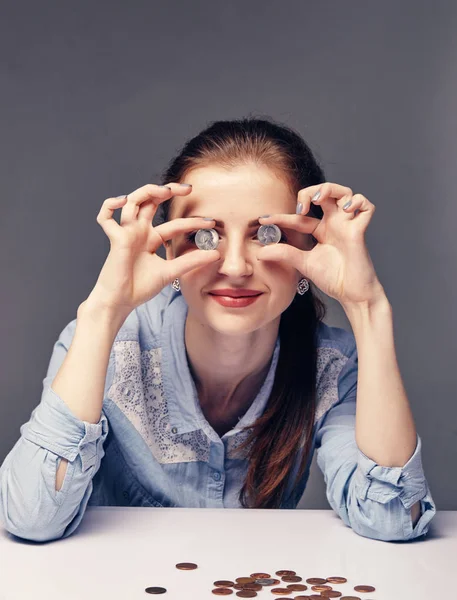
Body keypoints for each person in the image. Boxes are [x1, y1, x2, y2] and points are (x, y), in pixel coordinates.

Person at [0, 117, 436, 543]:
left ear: (310, 248)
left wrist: (368, 307)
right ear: (168, 246)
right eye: (205, 236)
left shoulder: (333, 368)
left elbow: (392, 518)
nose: (235, 267)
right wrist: (103, 310)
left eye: (266, 235)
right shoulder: (108, 344)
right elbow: (32, 518)